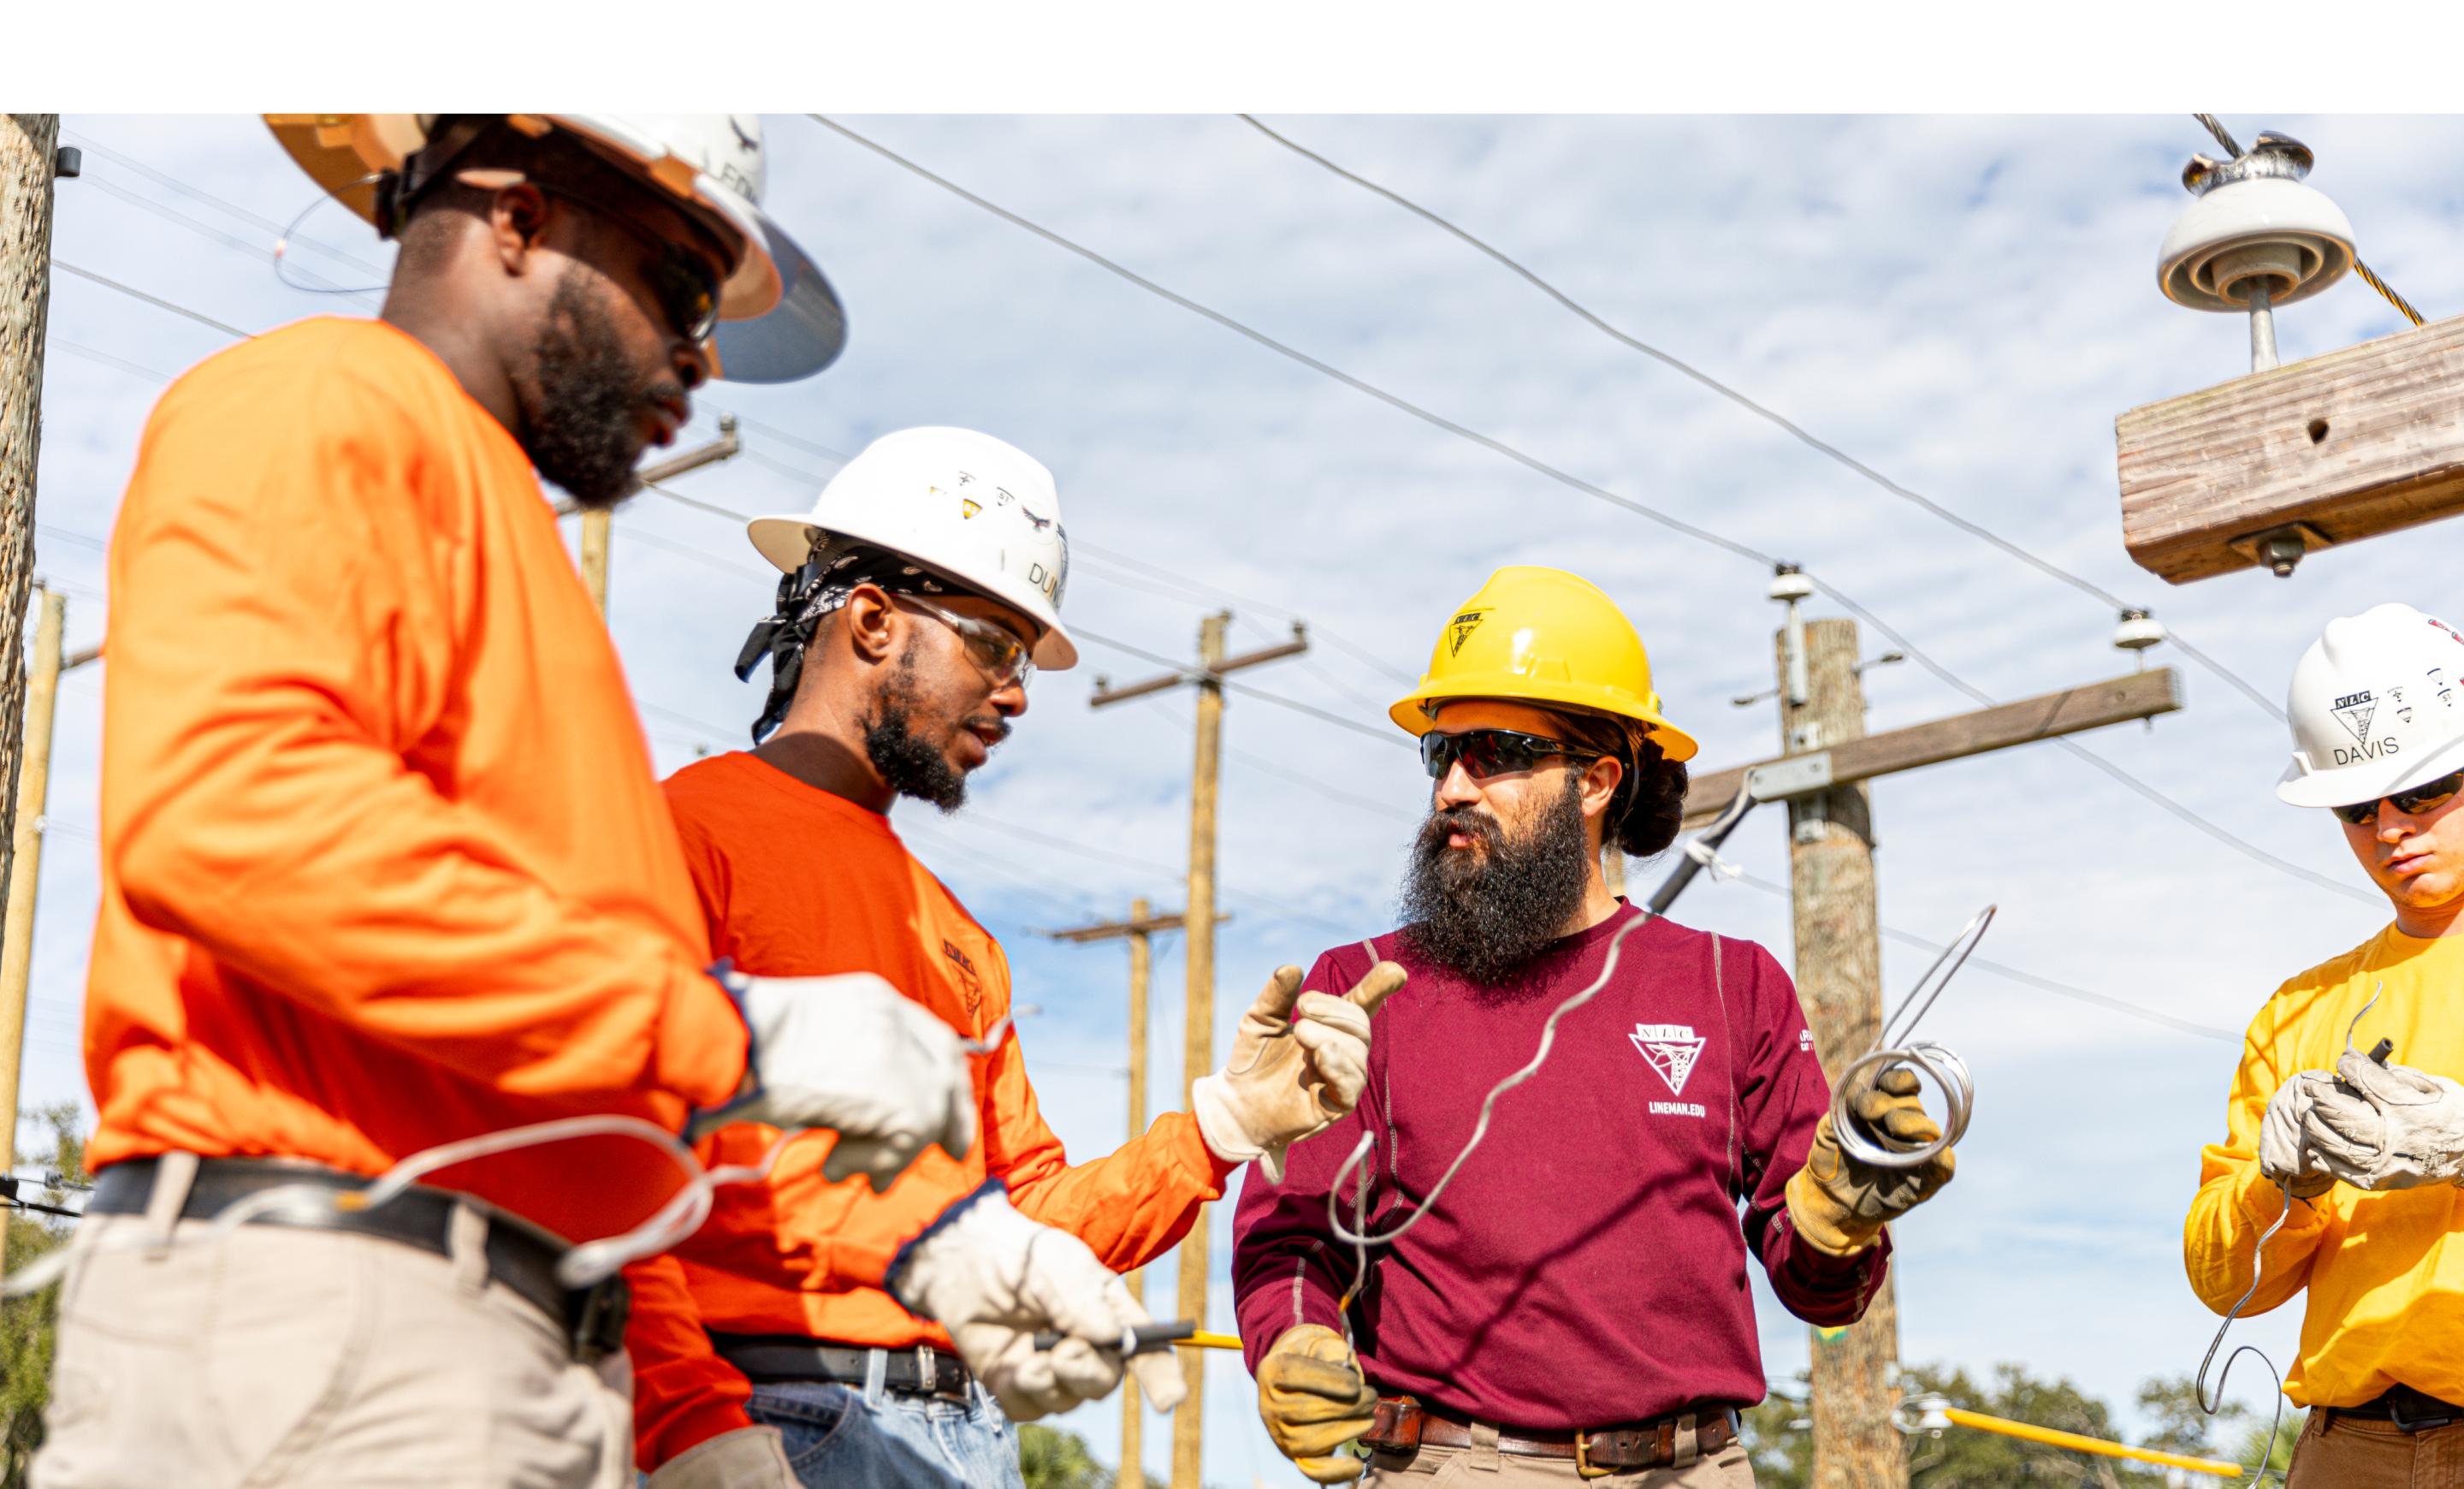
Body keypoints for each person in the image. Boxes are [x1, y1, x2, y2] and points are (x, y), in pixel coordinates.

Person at [38, 114, 975, 1489]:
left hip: (504, 1334)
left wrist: (680, 1414)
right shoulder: (325, 402)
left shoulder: (504, 540)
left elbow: (567, 1066)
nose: (701, 357)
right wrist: (723, 1033)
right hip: (329, 1312)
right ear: (521, 216)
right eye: (682, 288)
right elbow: (240, 820)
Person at [625, 427, 1405, 1489]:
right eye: (994, 645)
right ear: (870, 619)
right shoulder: (682, 839)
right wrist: (684, 1426)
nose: (1020, 693)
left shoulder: (958, 939)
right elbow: (605, 1162)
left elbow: (1022, 1221)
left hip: (966, 1436)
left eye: (1026, 659)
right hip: (774, 1416)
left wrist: (1222, 1127)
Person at [1232, 567, 1958, 1486]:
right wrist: (1294, 1342)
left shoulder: (1733, 987)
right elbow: (1290, 1236)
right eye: (1440, 754)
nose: (1454, 785)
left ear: (1598, 780)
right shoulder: (1362, 989)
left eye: (1494, 752)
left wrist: (1835, 1221)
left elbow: (1823, 1293)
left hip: (1691, 1469)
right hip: (1448, 1468)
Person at [2187, 602, 2464, 1485]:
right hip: (2352, 1448)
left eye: (2422, 794)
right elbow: (2230, 1283)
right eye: (2355, 806)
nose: (2389, 830)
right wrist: (2282, 1186)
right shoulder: (2305, 1009)